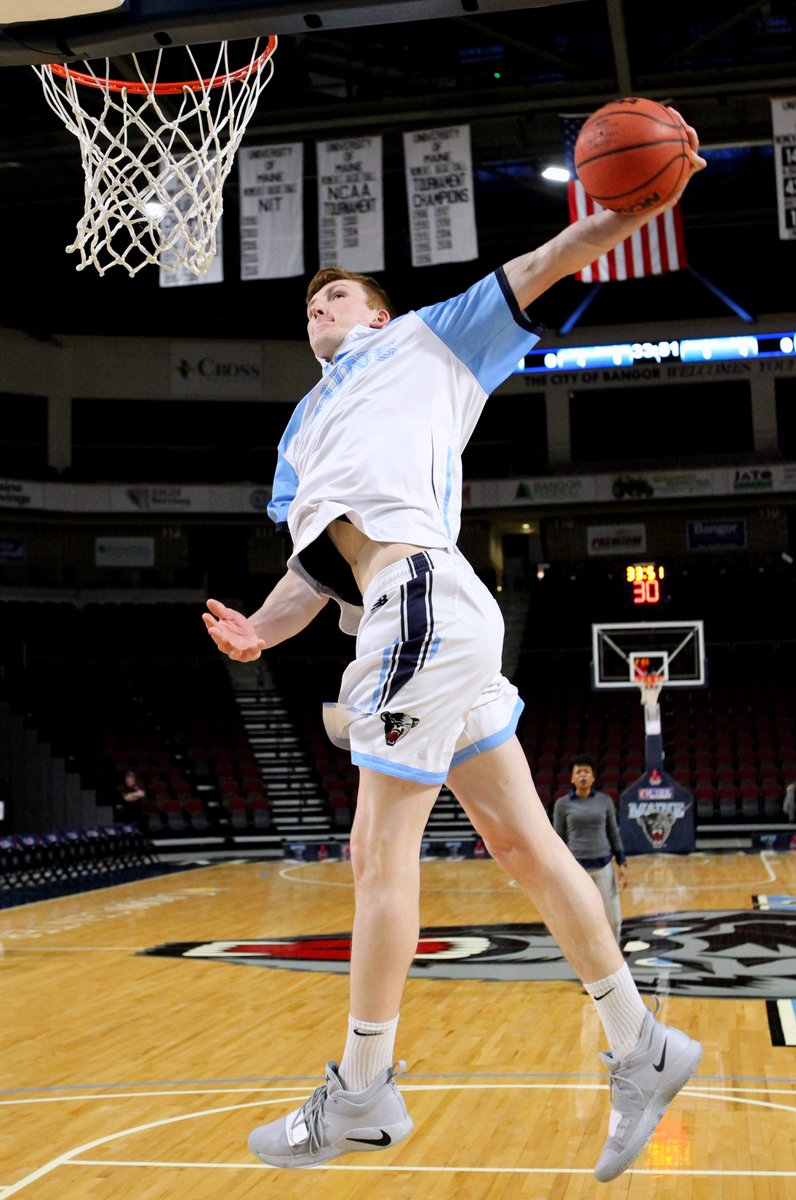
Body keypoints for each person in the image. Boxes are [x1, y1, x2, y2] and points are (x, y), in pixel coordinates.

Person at [203, 108, 706, 1184]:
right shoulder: (300, 435)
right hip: (415, 611)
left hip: (422, 601)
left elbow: (539, 262)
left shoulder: (423, 341)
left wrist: (622, 209)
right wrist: (259, 629)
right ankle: (641, 1043)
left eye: (335, 294)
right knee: (523, 848)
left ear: (376, 311)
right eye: (308, 303)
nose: (319, 307)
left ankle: (364, 1092)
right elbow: (312, 568)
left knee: (375, 855)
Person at [553, 755, 626, 944]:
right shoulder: (562, 804)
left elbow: (613, 832)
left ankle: (614, 957)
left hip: (603, 867)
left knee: (613, 919)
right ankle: (586, 961)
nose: (583, 775)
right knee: (579, 919)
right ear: (572, 778)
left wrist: (622, 862)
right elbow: (558, 838)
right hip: (576, 870)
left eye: (587, 771)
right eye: (578, 772)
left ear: (593, 777)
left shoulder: (605, 801)